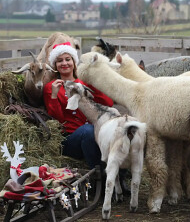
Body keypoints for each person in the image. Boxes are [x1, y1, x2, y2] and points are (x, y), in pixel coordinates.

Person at [43, 41, 130, 194]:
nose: (64, 63)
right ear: (55, 65)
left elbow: (108, 102)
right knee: (88, 131)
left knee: (119, 128)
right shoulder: (51, 87)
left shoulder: (83, 83)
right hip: (70, 139)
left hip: (94, 134)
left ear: (74, 62)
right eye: (60, 60)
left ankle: (121, 176)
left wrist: (96, 84)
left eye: (68, 59)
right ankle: (101, 182)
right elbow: (56, 120)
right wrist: (55, 95)